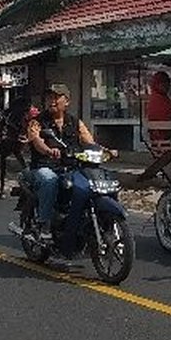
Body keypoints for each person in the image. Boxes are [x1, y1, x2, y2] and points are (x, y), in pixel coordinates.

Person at [25, 83, 105, 241]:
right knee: (49, 180)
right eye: (49, 98)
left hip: (70, 168)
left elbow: (89, 141)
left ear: (67, 101)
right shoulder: (36, 121)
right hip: (44, 167)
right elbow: (37, 141)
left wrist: (106, 150)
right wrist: (48, 150)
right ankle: (44, 224)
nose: (52, 101)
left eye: (56, 97)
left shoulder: (75, 122)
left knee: (90, 182)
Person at [146, 71, 171, 141]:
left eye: (168, 83)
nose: (167, 86)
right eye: (163, 83)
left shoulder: (160, 98)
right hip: (164, 138)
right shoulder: (158, 100)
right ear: (156, 84)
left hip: (161, 137)